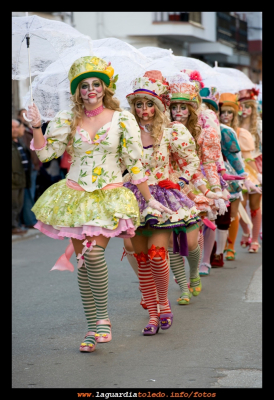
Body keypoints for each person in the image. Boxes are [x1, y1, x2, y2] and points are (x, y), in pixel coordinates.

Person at [27, 56, 170, 353]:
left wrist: (151, 197)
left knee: (93, 257)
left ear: (105, 88)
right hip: (75, 196)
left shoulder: (123, 119)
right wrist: (38, 127)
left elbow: (135, 162)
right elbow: (45, 155)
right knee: (82, 264)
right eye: (84, 86)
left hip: (107, 196)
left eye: (96, 84)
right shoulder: (68, 119)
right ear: (77, 91)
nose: (90, 90)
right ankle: (91, 327)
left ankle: (103, 320)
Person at [122, 70, 201, 332]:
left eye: (148, 104)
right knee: (142, 258)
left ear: (158, 105)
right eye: (138, 104)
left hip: (162, 200)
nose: (144, 110)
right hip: (132, 199)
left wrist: (178, 183)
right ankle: (153, 315)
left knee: (157, 255)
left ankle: (164, 304)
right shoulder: (125, 133)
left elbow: (191, 161)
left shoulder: (172, 132)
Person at [167, 72, 229, 281]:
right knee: (171, 229)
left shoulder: (205, 133)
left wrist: (216, 190)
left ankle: (197, 264)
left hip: (197, 182)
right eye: (173, 107)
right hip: (172, 182)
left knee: (195, 229)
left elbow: (209, 163)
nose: (178, 112)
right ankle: (180, 270)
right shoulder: (163, 130)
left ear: (192, 109)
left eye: (183, 107)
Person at [200, 87, 247, 267]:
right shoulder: (187, 129)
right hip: (195, 174)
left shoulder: (224, 131)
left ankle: (218, 253)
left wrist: (242, 174)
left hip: (221, 173)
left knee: (222, 217)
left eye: (208, 108)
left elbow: (234, 155)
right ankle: (204, 257)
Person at [218, 93, 262, 257]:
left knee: (252, 206)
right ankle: (243, 233)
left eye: (230, 112)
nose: (226, 115)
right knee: (232, 211)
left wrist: (256, 176)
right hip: (220, 173)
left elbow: (248, 158)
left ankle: (250, 240)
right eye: (223, 112)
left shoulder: (242, 133)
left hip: (243, 171)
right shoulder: (213, 129)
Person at [238, 88, 263, 251]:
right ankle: (246, 231)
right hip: (239, 165)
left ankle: (254, 239)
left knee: (255, 205)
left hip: (255, 164)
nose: (245, 109)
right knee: (239, 204)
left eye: (248, 106)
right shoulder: (234, 123)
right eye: (242, 106)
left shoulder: (259, 125)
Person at [18, 109, 41, 220]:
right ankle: (28, 219)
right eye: (23, 114)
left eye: (27, 114)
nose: (26, 116)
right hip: (28, 167)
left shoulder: (29, 130)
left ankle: (30, 218)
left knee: (31, 193)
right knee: (27, 194)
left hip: (34, 165)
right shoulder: (20, 131)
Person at [12, 119, 28, 235]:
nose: (14, 130)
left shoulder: (19, 142)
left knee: (19, 205)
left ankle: (16, 225)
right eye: (12, 127)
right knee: (14, 205)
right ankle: (14, 226)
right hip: (13, 180)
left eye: (16, 127)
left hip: (21, 179)